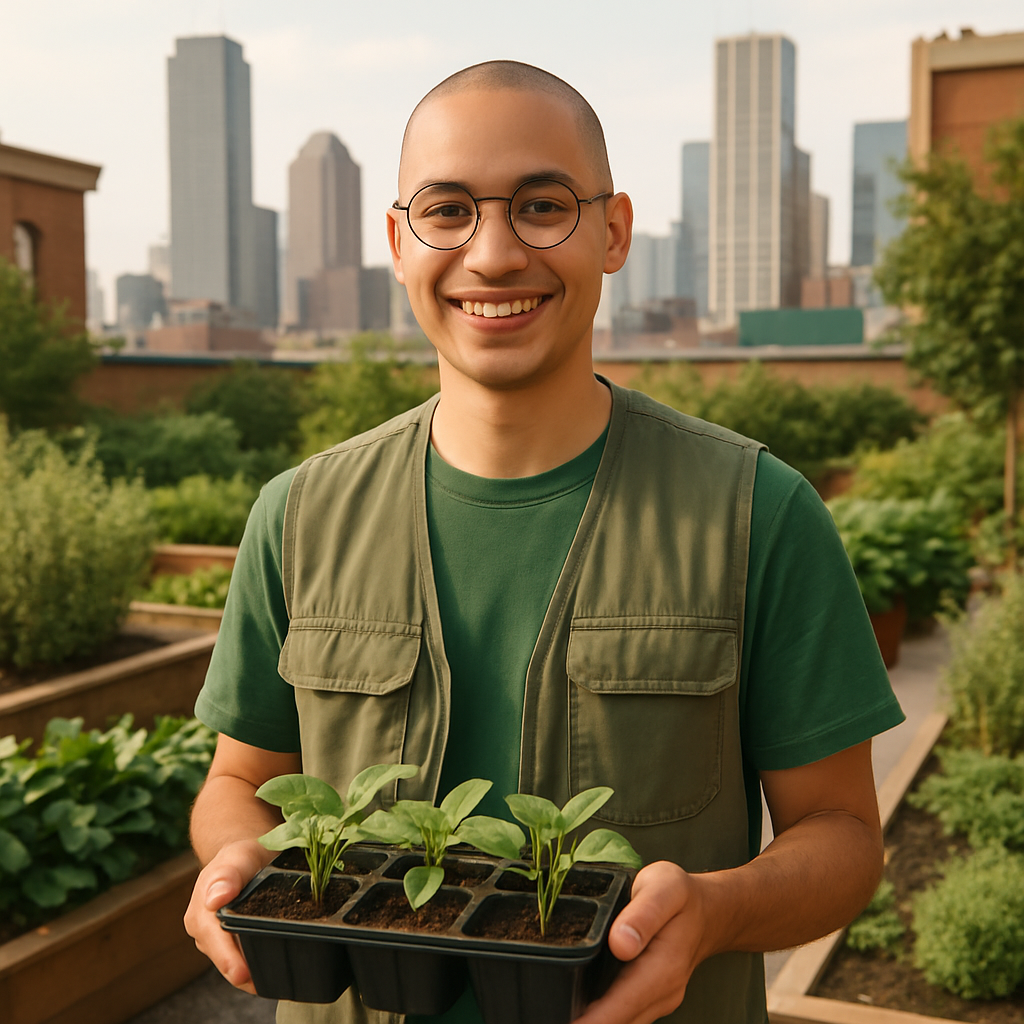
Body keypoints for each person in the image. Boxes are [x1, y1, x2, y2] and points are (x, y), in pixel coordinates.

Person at [184, 60, 904, 1024]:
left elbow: (844, 834)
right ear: (399, 243)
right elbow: (240, 780)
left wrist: (714, 910)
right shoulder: (300, 514)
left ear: (613, 232)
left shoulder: (756, 512)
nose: (492, 255)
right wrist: (239, 855)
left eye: (541, 206)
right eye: (447, 210)